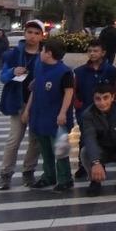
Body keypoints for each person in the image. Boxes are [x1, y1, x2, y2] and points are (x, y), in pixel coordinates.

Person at [22, 38, 75, 192]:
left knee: (59, 149)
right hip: (39, 116)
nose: (40, 52)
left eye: (43, 50)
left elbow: (68, 93)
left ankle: (65, 179)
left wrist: (63, 113)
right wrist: (27, 110)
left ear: (49, 53)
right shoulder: (40, 67)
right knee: (45, 149)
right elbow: (35, 90)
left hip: (56, 117)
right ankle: (49, 176)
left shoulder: (64, 72)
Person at [0, 19, 44, 190]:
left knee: (35, 140)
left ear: (41, 36)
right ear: (25, 34)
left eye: (36, 33)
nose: (32, 36)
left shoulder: (45, 54)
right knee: (14, 139)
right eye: (29, 32)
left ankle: (28, 171)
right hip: (18, 102)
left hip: (38, 104)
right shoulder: (13, 54)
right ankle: (5, 174)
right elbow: (2, 77)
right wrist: (12, 71)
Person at [79, 83, 116, 196]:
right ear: (93, 99)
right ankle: (95, 180)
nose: (102, 102)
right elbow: (89, 138)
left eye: (105, 97)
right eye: (98, 99)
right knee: (85, 152)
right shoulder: (87, 114)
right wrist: (96, 162)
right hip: (101, 150)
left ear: (112, 97)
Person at [72, 39, 116, 179]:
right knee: (85, 138)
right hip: (86, 110)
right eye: (90, 51)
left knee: (103, 137)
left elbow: (115, 88)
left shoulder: (111, 70)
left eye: (96, 51)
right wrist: (78, 104)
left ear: (103, 53)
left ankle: (101, 163)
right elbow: (75, 90)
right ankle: (83, 165)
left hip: (106, 111)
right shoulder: (80, 71)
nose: (92, 53)